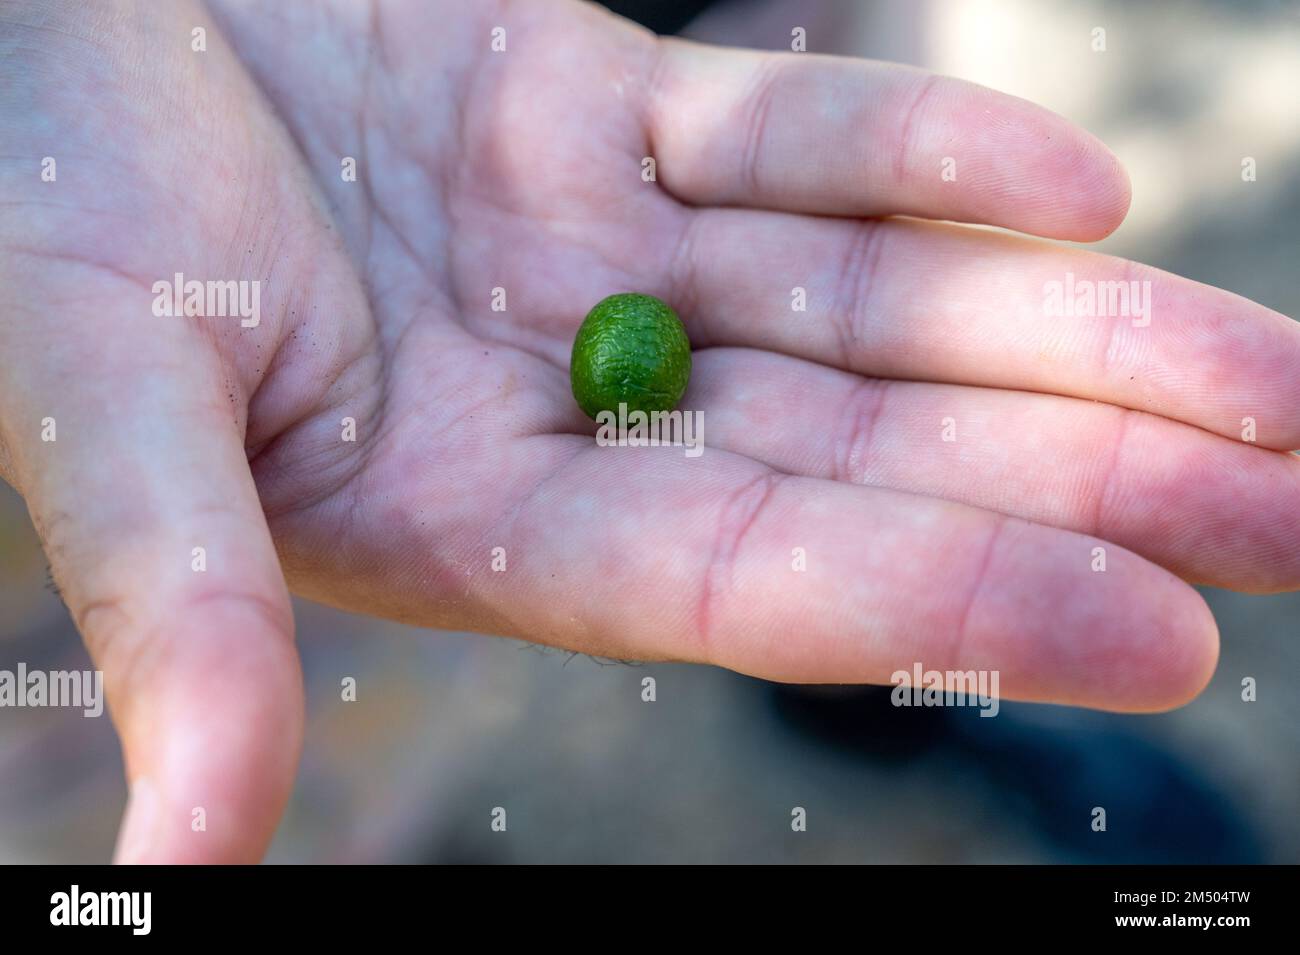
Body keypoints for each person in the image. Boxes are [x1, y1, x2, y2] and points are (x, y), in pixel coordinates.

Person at [1, 0, 1296, 864]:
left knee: (815, 437)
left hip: (700, 54)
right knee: (300, 620)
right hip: (311, 149)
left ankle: (868, 700)